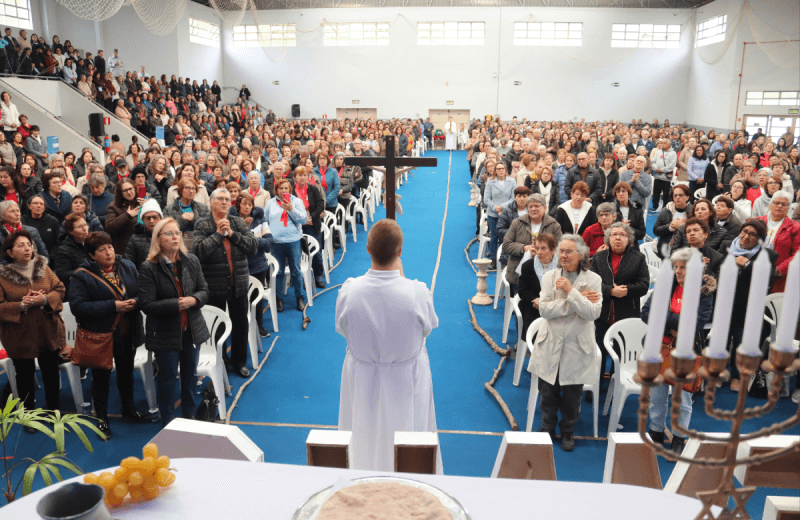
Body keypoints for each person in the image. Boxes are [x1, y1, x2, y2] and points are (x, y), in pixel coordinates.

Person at [335, 219, 440, 471]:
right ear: (400, 251)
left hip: (362, 376)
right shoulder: (417, 292)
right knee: (410, 434)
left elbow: (342, 329)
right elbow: (428, 329)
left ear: (368, 249)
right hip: (406, 378)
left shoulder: (350, 291)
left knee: (362, 431)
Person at [68, 231, 146, 438]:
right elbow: (78, 306)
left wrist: (135, 302)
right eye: (102, 250)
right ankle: (101, 419)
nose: (109, 252)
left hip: (127, 330)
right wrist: (114, 305)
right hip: (101, 335)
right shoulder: (81, 275)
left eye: (110, 247)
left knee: (127, 373)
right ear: (92, 255)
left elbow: (142, 292)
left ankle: (129, 409)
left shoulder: (127, 266)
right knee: (101, 379)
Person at [530, 235, 602, 451]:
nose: (563, 255)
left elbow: (592, 313)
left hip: (577, 346)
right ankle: (547, 428)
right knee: (547, 392)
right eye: (561, 251)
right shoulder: (549, 277)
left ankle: (568, 430)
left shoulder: (594, 280)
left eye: (569, 251)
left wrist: (571, 292)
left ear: (581, 255)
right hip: (550, 342)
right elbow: (544, 310)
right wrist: (576, 300)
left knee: (572, 395)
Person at [642, 247, 715, 454]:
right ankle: (655, 431)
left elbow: (698, 322)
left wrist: (663, 318)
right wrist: (674, 323)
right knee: (657, 394)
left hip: (686, 351)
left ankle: (679, 436)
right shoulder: (665, 286)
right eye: (676, 267)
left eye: (684, 267)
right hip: (658, 347)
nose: (679, 271)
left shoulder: (704, 291)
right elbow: (646, 313)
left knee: (682, 398)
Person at [138, 218, 210, 426]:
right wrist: (175, 304)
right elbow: (146, 304)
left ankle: (190, 416)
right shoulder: (148, 267)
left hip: (191, 329)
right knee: (167, 379)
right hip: (165, 332)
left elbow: (204, 290)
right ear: (158, 240)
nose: (175, 237)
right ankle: (168, 421)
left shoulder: (191, 261)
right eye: (169, 234)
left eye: (177, 233)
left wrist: (195, 300)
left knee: (190, 378)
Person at [0, 230, 66, 432]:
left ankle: (54, 410)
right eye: (21, 245)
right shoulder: (2, 276)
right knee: (25, 374)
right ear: (10, 252)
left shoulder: (43, 268)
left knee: (50, 370)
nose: (27, 248)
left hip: (47, 328)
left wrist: (44, 299)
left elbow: (60, 288)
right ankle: (29, 416)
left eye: (28, 244)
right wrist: (21, 304)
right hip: (19, 333)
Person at [193, 188, 258, 378]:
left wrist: (232, 234)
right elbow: (198, 252)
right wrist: (217, 235)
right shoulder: (203, 224)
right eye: (220, 198)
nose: (224, 202)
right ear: (211, 202)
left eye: (227, 199)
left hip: (238, 283)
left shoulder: (237, 222)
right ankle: (220, 361)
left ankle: (239, 363)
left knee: (240, 324)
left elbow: (252, 247)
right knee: (218, 327)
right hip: (214, 285)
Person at [589, 222, 650, 392]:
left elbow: (644, 285)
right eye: (614, 234)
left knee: (621, 353)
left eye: (622, 234)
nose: (617, 237)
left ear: (629, 239)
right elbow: (591, 285)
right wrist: (610, 291)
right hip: (603, 313)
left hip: (626, 313)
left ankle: (617, 386)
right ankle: (596, 384)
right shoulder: (599, 258)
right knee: (599, 352)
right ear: (608, 238)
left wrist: (626, 290)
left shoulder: (638, 258)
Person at [724, 219, 778, 392]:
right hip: (724, 303)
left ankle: (738, 376)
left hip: (745, 307)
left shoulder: (767, 255)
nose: (746, 236)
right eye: (744, 231)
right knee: (721, 340)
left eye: (752, 234)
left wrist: (746, 264)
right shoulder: (727, 246)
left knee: (741, 342)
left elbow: (767, 278)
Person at [503, 194, 562, 293]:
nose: (533, 209)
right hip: (519, 272)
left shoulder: (554, 225)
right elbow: (506, 245)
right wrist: (524, 248)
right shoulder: (517, 223)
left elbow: (560, 248)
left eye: (537, 206)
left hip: (547, 271)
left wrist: (544, 252)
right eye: (530, 206)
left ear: (545, 208)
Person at [265, 179, 307, 312]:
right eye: (281, 188)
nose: (284, 191)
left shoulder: (296, 201)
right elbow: (266, 221)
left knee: (296, 270)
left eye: (286, 188)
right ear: (276, 190)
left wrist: (291, 209)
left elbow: (304, 219)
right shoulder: (270, 203)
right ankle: (279, 298)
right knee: (279, 272)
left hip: (293, 240)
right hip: (276, 242)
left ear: (290, 189)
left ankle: (299, 297)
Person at [235, 192, 272, 336]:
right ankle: (242, 330)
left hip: (258, 265)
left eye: (250, 205)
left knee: (257, 299)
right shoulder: (232, 221)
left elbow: (269, 242)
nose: (247, 207)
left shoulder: (260, 219)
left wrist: (249, 242)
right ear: (238, 205)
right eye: (244, 204)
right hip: (239, 267)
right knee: (240, 301)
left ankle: (259, 326)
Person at [517, 233, 558, 340]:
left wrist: (545, 301)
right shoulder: (527, 266)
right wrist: (535, 300)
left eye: (543, 248)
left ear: (553, 249)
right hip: (534, 307)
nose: (539, 252)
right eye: (537, 248)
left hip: (556, 307)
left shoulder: (561, 267)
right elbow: (522, 291)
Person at [757, 191, 800, 293]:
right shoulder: (757, 222)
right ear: (770, 205)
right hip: (754, 271)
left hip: (779, 278)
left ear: (788, 207)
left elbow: (797, 254)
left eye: (784, 204)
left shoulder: (795, 228)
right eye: (776, 203)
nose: (779, 206)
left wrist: (778, 270)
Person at [292, 166, 325, 289]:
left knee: (316, 253)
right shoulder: (291, 191)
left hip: (312, 224)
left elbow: (321, 204)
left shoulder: (313, 189)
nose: (302, 177)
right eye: (299, 175)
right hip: (297, 226)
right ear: (295, 177)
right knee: (299, 254)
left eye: (304, 175)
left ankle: (318, 277)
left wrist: (312, 216)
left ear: (307, 177)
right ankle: (303, 279)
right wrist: (300, 220)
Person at [485, 161, 516, 269]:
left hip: (506, 214)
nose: (500, 170)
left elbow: (513, 198)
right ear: (495, 171)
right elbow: (486, 199)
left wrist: (502, 207)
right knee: (493, 237)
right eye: (498, 169)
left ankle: (504, 259)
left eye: (502, 168)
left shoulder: (512, 181)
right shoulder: (490, 181)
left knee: (505, 237)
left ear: (506, 170)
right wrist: (495, 208)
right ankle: (493, 259)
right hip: (493, 214)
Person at [53, 212, 89, 297]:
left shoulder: (91, 243)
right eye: (80, 227)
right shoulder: (64, 250)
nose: (85, 229)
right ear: (70, 231)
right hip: (76, 291)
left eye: (85, 225)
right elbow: (62, 275)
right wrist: (83, 271)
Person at [653, 184, 692, 258]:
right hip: (665, 250)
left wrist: (682, 227)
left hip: (685, 252)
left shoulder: (693, 212)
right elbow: (656, 230)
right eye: (675, 195)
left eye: (681, 195)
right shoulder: (666, 210)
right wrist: (670, 227)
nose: (677, 197)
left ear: (687, 197)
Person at [123, 198, 162, 270]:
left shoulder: (169, 236)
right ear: (143, 220)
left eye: (154, 217)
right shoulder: (135, 238)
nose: (152, 221)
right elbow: (128, 264)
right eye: (148, 218)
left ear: (160, 218)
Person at [104, 178, 140, 254]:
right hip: (124, 249)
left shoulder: (142, 202)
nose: (129, 192)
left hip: (142, 247)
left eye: (130, 189)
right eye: (125, 190)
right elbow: (109, 227)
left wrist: (149, 207)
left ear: (135, 188)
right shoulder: (114, 206)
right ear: (120, 193)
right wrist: (127, 215)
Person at [650, 139, 676, 211]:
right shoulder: (658, 152)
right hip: (657, 176)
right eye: (662, 143)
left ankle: (665, 207)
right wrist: (656, 168)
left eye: (664, 143)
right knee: (656, 193)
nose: (662, 144)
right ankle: (655, 206)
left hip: (666, 178)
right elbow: (653, 162)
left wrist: (662, 170)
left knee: (666, 194)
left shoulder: (673, 153)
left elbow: (672, 165)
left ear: (669, 144)